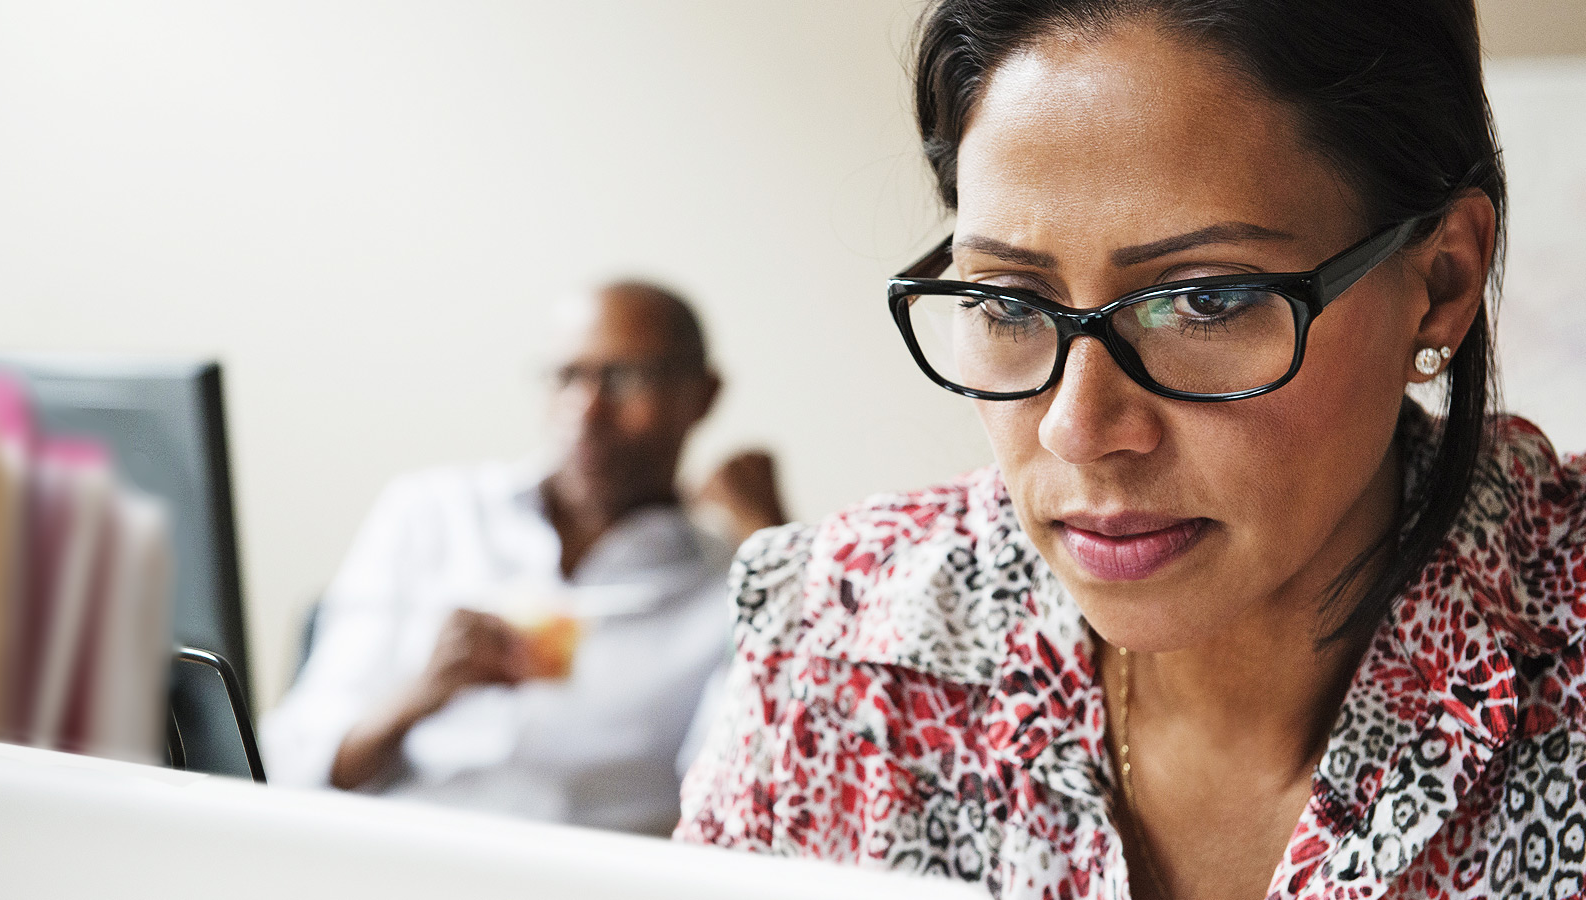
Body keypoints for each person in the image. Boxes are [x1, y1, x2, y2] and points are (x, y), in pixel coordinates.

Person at [675, 2, 1585, 898]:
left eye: (1205, 301)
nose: (1077, 428)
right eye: (1008, 301)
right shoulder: (832, 646)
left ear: (1442, 279)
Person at [262, 281, 786, 835]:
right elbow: (288, 765)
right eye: (566, 377)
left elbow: (748, 810)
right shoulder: (430, 514)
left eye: (625, 379)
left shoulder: (735, 580)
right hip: (389, 859)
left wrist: (778, 547)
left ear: (703, 396)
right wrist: (424, 693)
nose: (586, 411)